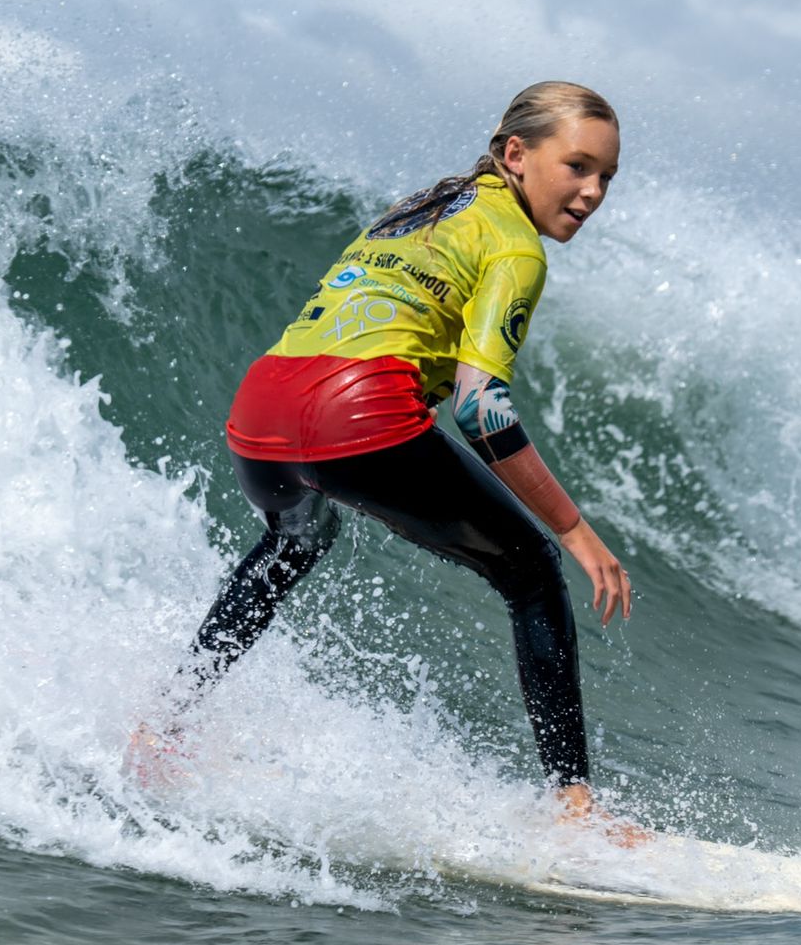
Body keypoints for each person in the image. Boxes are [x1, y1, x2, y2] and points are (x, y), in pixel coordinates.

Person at [132, 81, 639, 837]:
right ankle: (574, 810)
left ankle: (162, 728)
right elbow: (479, 408)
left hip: (262, 400)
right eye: (577, 167)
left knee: (296, 540)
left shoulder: (425, 206)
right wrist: (575, 531)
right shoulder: (514, 246)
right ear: (515, 155)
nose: (593, 191)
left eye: (607, 176)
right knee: (532, 570)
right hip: (357, 410)